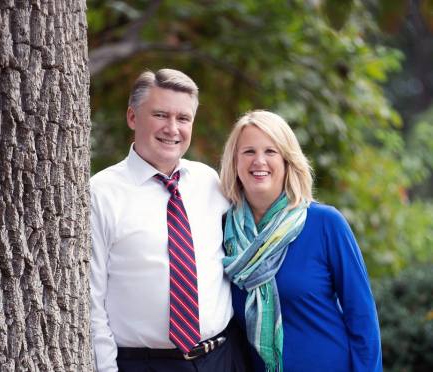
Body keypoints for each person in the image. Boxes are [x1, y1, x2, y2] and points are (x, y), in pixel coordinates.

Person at [90, 69, 250, 372]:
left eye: (184, 118)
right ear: (133, 118)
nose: (172, 128)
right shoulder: (101, 194)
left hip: (223, 357)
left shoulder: (209, 182)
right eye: (161, 115)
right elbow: (91, 301)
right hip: (145, 364)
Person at [220, 110, 383, 372]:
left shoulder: (325, 223)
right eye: (248, 152)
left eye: (270, 151)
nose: (259, 161)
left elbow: (362, 317)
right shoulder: (224, 232)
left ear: (287, 161)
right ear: (234, 162)